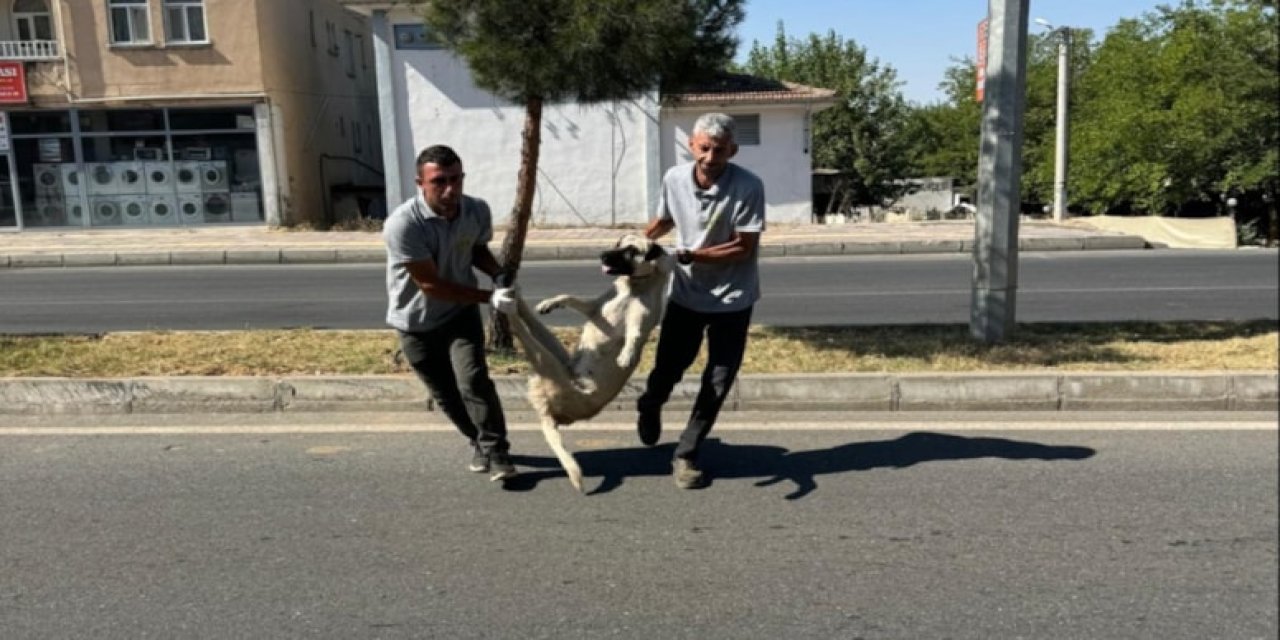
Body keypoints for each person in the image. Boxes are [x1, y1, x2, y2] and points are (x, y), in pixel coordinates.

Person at [636, 112, 766, 489]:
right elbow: (663, 222)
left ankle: (687, 454)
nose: (711, 157)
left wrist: (693, 255)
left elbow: (744, 247)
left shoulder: (749, 185)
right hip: (687, 294)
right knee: (668, 369)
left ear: (733, 151)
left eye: (720, 150)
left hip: (733, 298)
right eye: (704, 148)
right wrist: (637, 243)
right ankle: (650, 403)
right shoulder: (674, 179)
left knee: (719, 380)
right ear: (691, 145)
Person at [383, 145, 520, 482]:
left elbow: (475, 248)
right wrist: (489, 296)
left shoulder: (475, 210)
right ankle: (478, 441)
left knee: (473, 380)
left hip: (460, 314)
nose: (449, 190)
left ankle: (498, 451)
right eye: (439, 181)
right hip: (414, 322)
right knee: (445, 393)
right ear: (420, 183)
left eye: (456, 180)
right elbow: (431, 285)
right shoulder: (403, 224)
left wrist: (498, 273)